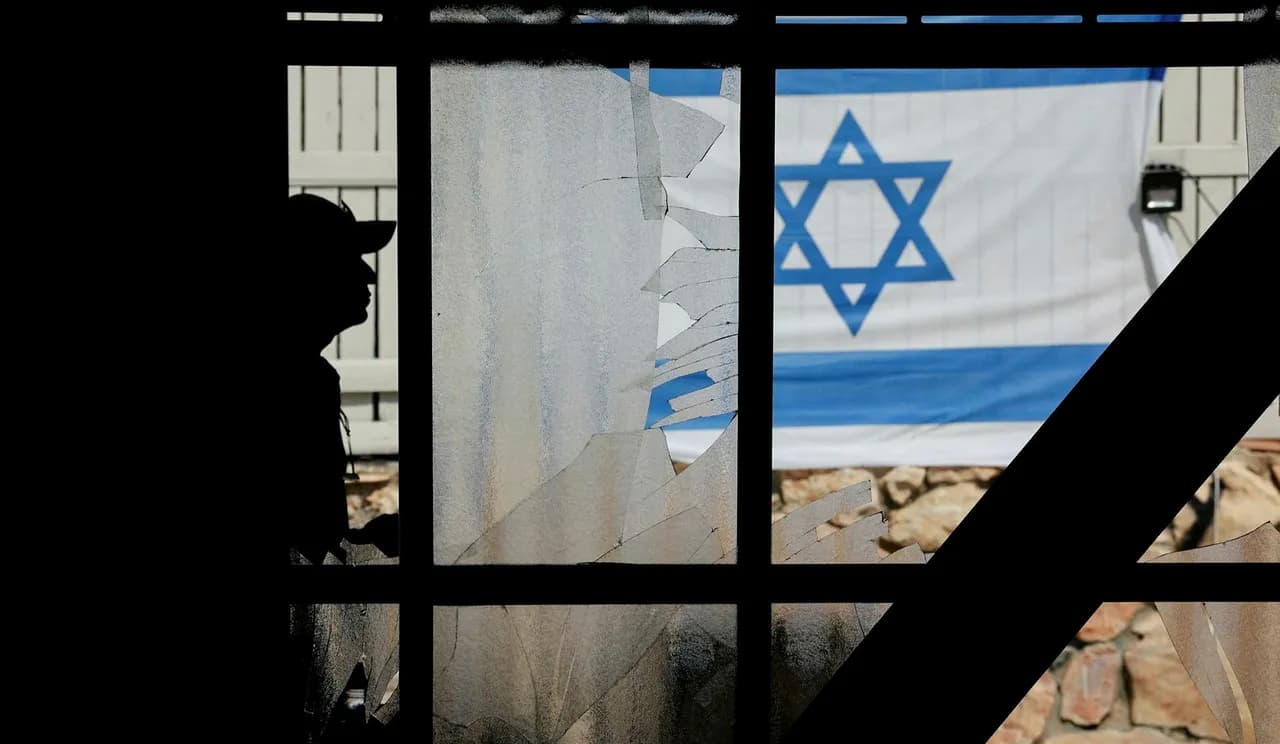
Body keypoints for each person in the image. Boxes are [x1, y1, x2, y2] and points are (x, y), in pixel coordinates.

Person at [282, 193, 399, 565]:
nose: (369, 276)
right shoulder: (304, 381)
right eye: (351, 259)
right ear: (314, 272)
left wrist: (358, 539)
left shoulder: (311, 375)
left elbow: (306, 535)